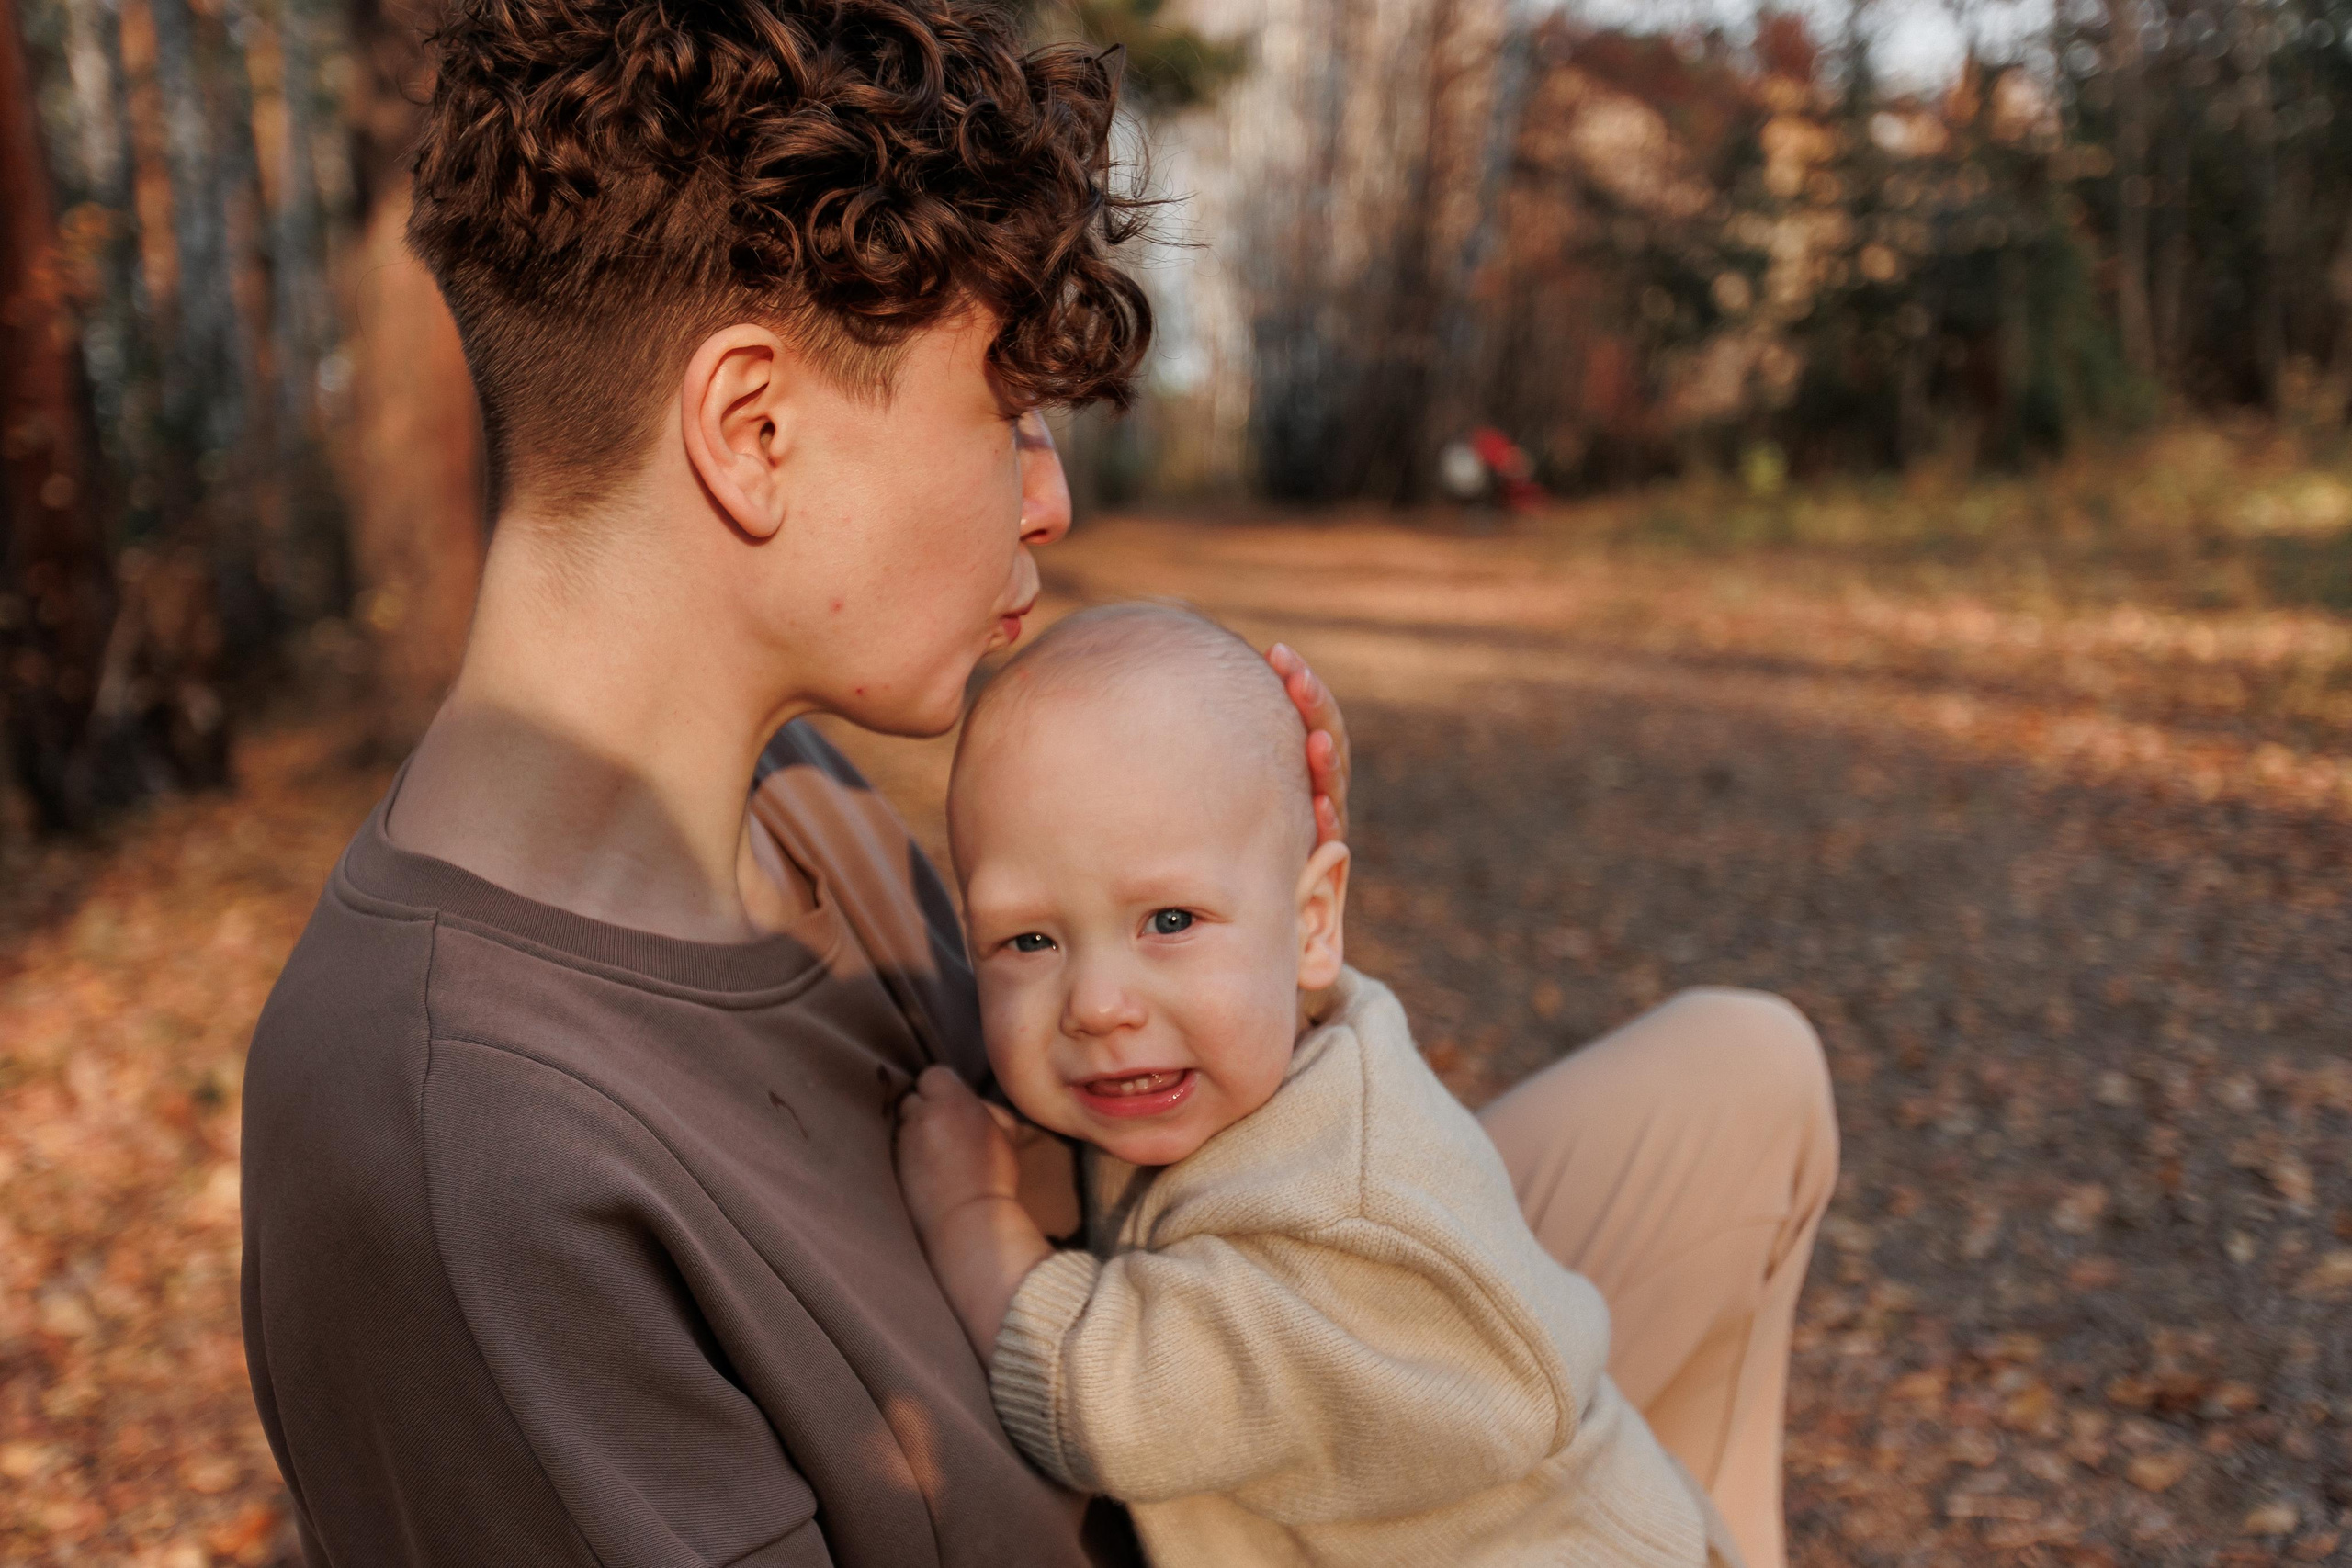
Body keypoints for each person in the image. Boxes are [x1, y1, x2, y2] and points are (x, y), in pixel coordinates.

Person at [239, 0, 1836, 1563]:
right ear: (753, 426)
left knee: (1748, 1078)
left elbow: (1129, 1137)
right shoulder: (468, 1160)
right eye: (1004, 411)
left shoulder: (797, 792)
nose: (1050, 495)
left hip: (1202, 1412)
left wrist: (1244, 897)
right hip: (1161, 1466)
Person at [896, 603, 1744, 1567]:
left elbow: (1107, 1402)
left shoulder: (1346, 1220)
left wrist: (970, 1212)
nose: (1095, 1003)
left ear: (1310, 925)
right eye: (1029, 941)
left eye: (1169, 921)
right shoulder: (1237, 1058)